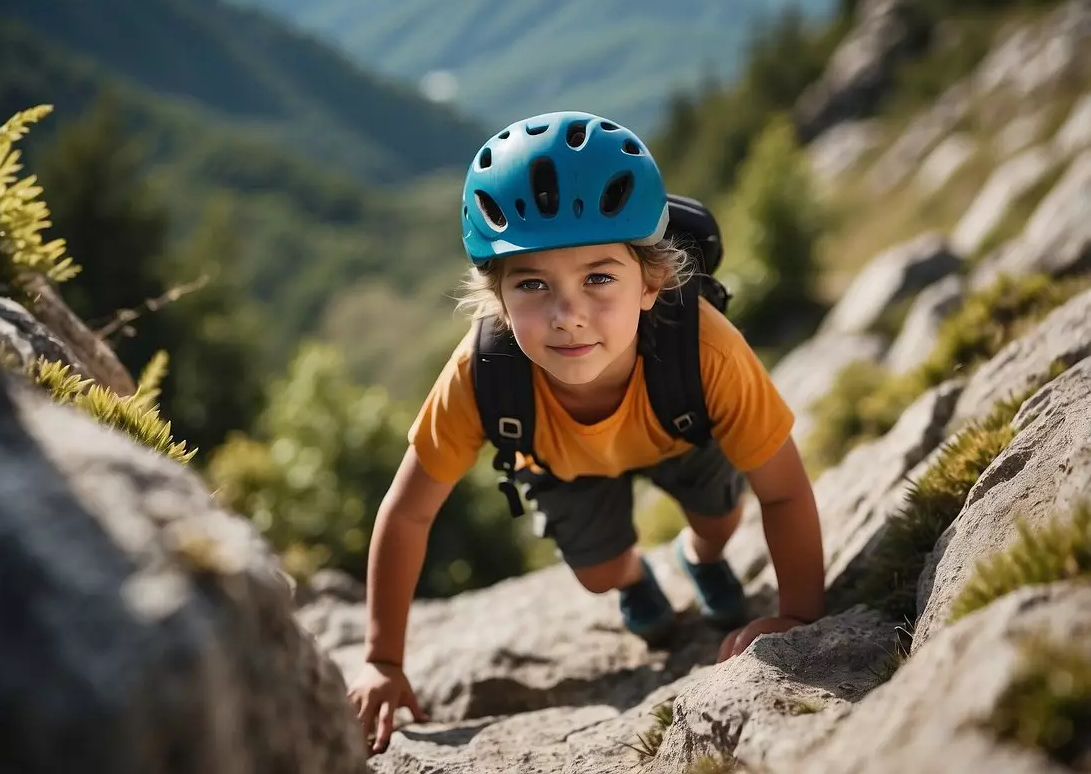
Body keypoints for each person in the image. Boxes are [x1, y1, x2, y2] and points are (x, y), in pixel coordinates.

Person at [346, 111, 825, 754]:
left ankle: (701, 556)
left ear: (652, 282)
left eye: (599, 278)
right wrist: (382, 658)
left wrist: (796, 615)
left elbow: (785, 491)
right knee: (598, 574)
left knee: (720, 521)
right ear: (497, 294)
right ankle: (633, 579)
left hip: (681, 433)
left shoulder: (705, 348)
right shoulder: (480, 375)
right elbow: (406, 515)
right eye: (533, 284)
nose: (568, 315)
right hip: (562, 465)